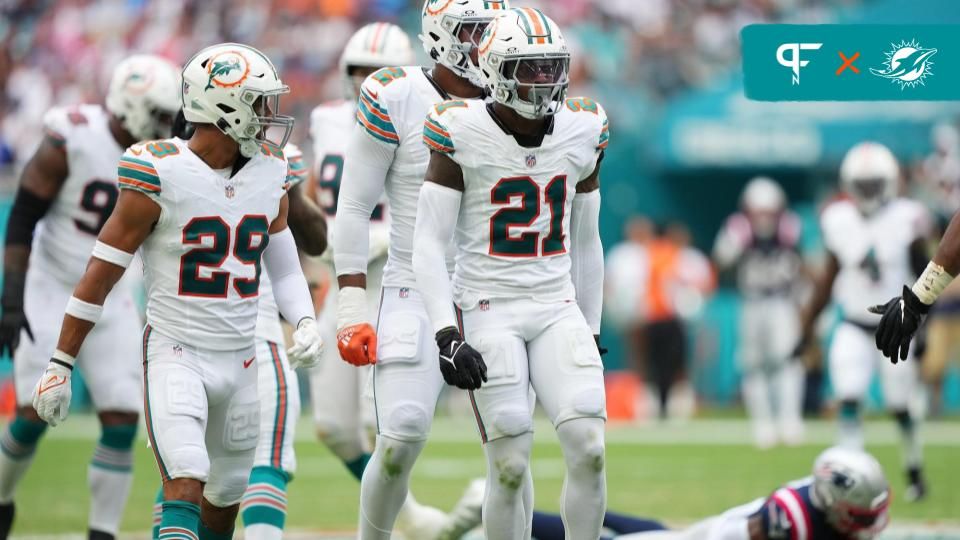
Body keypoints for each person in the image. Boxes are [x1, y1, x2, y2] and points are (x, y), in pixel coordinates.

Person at [30, 43, 325, 539]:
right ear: (223, 106)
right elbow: (100, 272)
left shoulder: (270, 171)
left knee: (224, 502)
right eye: (258, 102)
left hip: (242, 356)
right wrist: (61, 362)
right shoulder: (158, 171)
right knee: (185, 482)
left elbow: (284, 263)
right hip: (176, 350)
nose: (269, 115)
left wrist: (304, 320)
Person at [412, 8, 607, 539]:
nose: (544, 80)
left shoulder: (585, 126)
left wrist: (590, 326)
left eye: (551, 67)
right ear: (496, 69)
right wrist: (446, 334)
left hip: (556, 306)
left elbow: (587, 240)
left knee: (589, 449)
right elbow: (428, 240)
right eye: (530, 68)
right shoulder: (459, 128)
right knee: (510, 465)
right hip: (487, 308)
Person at [331, 2, 511, 538]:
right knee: (400, 436)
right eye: (474, 32)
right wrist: (350, 306)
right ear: (440, 35)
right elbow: (354, 206)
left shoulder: (516, 90)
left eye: (492, 32)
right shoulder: (395, 93)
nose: (487, 43)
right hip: (410, 282)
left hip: (493, 288)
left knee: (511, 447)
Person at [0, 55, 180, 540]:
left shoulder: (163, 156)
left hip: (114, 293)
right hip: (52, 284)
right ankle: (1, 498)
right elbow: (23, 215)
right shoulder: (73, 136)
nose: (169, 125)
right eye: (161, 114)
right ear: (131, 105)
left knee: (123, 414)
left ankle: (102, 533)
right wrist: (12, 297)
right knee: (35, 412)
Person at [796, 142, 928, 501]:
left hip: (898, 323)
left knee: (900, 404)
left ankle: (914, 468)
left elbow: (923, 270)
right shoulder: (837, 219)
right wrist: (806, 327)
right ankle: (848, 477)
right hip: (853, 324)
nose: (869, 192)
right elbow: (828, 278)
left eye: (874, 184)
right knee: (848, 398)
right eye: (863, 184)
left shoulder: (907, 216)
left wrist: (923, 324)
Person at [527, 447, 891, 540]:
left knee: (653, 529)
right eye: (861, 516)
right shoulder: (786, 521)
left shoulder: (819, 500)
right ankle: (514, 517)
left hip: (707, 532)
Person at [713, 177, 805, 448]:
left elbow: (802, 264)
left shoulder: (789, 226)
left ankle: (789, 420)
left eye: (769, 212)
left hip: (781, 300)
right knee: (753, 363)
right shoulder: (738, 228)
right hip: (751, 300)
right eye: (758, 212)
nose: (764, 218)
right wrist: (734, 245)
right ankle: (763, 422)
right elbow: (722, 260)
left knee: (787, 360)